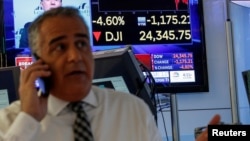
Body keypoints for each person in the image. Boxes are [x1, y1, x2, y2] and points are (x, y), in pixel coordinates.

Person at [0, 6, 162, 141]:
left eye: (81, 44)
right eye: (59, 47)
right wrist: (28, 119)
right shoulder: (9, 122)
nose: (75, 56)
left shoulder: (133, 111)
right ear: (38, 62)